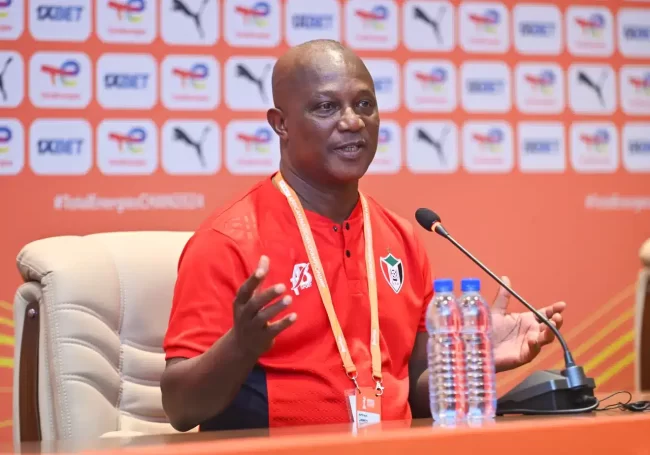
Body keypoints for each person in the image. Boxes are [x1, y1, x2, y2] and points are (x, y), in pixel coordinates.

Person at [160, 39, 566, 432]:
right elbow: (180, 408)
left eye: (364, 104)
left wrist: (469, 360)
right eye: (326, 107)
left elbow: (415, 391)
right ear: (281, 124)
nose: (353, 121)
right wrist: (240, 346)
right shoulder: (228, 241)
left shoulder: (402, 238)